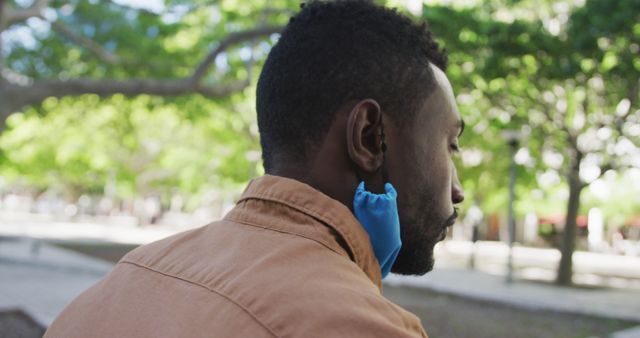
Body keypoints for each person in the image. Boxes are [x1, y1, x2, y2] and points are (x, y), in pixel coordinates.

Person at [45, 1, 464, 337]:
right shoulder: (366, 327)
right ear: (370, 138)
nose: (458, 189)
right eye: (450, 145)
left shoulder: (118, 286)